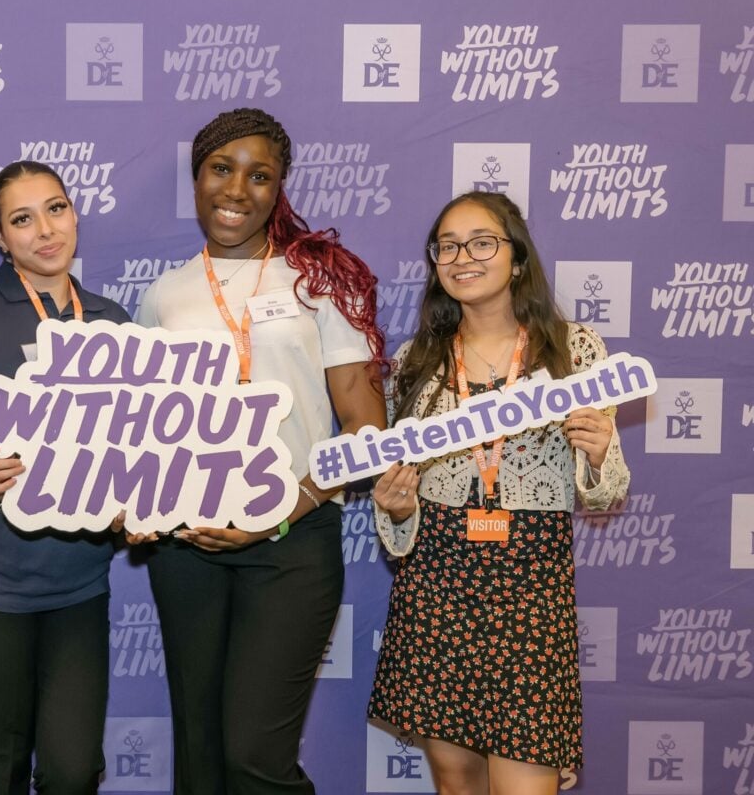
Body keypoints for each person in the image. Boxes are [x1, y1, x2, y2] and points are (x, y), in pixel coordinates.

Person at [134, 107, 388, 794]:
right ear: (197, 178)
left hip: (291, 542)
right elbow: (144, 430)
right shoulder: (163, 297)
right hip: (188, 547)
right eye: (222, 169)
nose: (237, 189)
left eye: (259, 176)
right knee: (201, 748)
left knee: (254, 757)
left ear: (279, 191)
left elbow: (366, 430)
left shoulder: (320, 282)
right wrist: (136, 504)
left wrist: (276, 512)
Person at [367, 191, 630, 795]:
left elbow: (604, 491)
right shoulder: (415, 362)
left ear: (516, 257)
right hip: (438, 584)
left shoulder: (575, 349)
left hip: (529, 588)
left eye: (482, 241)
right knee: (457, 785)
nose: (464, 256)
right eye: (448, 246)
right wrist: (399, 509)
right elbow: (400, 513)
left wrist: (597, 451)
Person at [0, 161, 130, 794]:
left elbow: (130, 450)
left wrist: (134, 505)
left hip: (78, 583)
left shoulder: (113, 321)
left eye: (56, 209)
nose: (44, 230)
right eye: (22, 218)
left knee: (71, 771)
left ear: (74, 215)